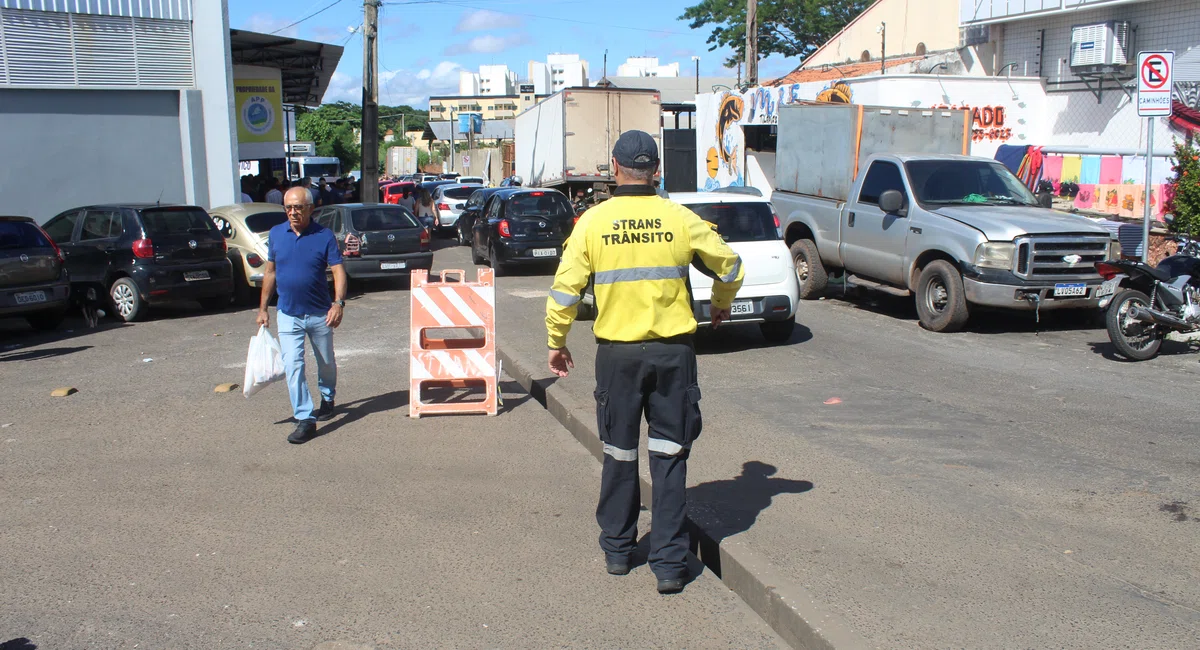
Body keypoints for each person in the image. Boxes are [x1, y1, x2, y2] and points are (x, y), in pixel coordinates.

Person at [545, 130, 744, 595]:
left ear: (613, 169)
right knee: (670, 457)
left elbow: (564, 291)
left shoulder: (592, 222)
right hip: (674, 354)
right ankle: (670, 565)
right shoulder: (680, 218)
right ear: (656, 170)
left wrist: (557, 341)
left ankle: (618, 551)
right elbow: (731, 265)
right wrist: (720, 302)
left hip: (617, 357)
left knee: (619, 453)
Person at [256, 186, 348, 444]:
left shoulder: (324, 235)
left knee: (326, 362)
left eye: (298, 207)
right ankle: (305, 418)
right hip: (288, 314)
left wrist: (338, 303)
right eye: (288, 207)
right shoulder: (276, 234)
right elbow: (270, 272)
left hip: (320, 314)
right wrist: (263, 308)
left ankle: (328, 397)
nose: (293, 212)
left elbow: (338, 270)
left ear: (311, 208)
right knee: (293, 365)